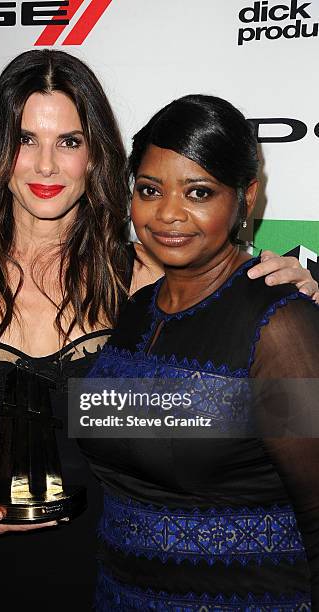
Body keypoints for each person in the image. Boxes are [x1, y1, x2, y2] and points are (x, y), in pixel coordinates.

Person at [0, 49, 316, 610]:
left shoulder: (144, 272)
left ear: (96, 153)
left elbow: (248, 327)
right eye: (26, 140)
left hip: (99, 564)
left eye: (69, 142)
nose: (46, 166)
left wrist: (300, 286)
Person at [79, 95, 319, 610]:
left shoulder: (279, 323)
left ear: (246, 197)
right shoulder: (135, 309)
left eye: (198, 192)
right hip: (118, 596)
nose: (168, 213)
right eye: (148, 190)